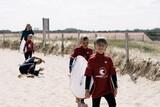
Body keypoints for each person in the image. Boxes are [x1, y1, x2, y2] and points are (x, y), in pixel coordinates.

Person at [85, 37, 118, 107]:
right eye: (98, 45)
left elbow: (113, 74)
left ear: (106, 47)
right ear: (95, 46)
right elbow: (88, 76)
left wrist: (115, 87)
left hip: (107, 88)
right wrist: (87, 90)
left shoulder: (108, 59)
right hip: (96, 89)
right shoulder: (91, 60)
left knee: (113, 104)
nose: (100, 47)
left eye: (103, 45)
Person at [69, 36, 93, 104]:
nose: (85, 44)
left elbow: (91, 60)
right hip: (78, 70)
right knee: (77, 83)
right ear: (81, 42)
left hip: (86, 70)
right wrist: (70, 69)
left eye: (87, 43)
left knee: (84, 84)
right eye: (84, 43)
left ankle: (81, 99)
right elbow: (72, 58)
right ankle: (78, 97)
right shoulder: (77, 50)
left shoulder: (90, 50)